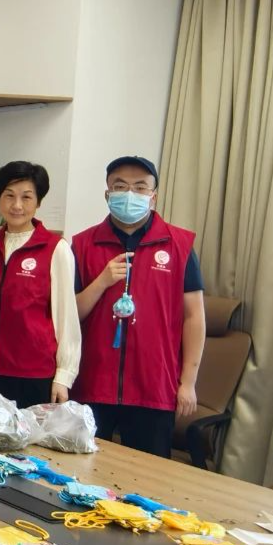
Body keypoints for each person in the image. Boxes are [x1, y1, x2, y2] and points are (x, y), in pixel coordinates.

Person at [72, 155, 205, 458]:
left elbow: (194, 317)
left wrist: (188, 382)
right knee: (82, 470)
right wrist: (102, 282)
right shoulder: (82, 245)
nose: (130, 194)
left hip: (153, 386)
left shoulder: (179, 245)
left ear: (153, 196)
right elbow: (71, 314)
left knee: (149, 476)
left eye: (140, 187)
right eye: (120, 186)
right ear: (107, 194)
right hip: (93, 383)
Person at [0, 161, 80, 408]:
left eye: (26, 197)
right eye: (9, 196)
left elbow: (66, 316)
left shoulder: (55, 248)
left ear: (38, 202)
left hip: (33, 375)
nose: (17, 205)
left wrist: (64, 376)